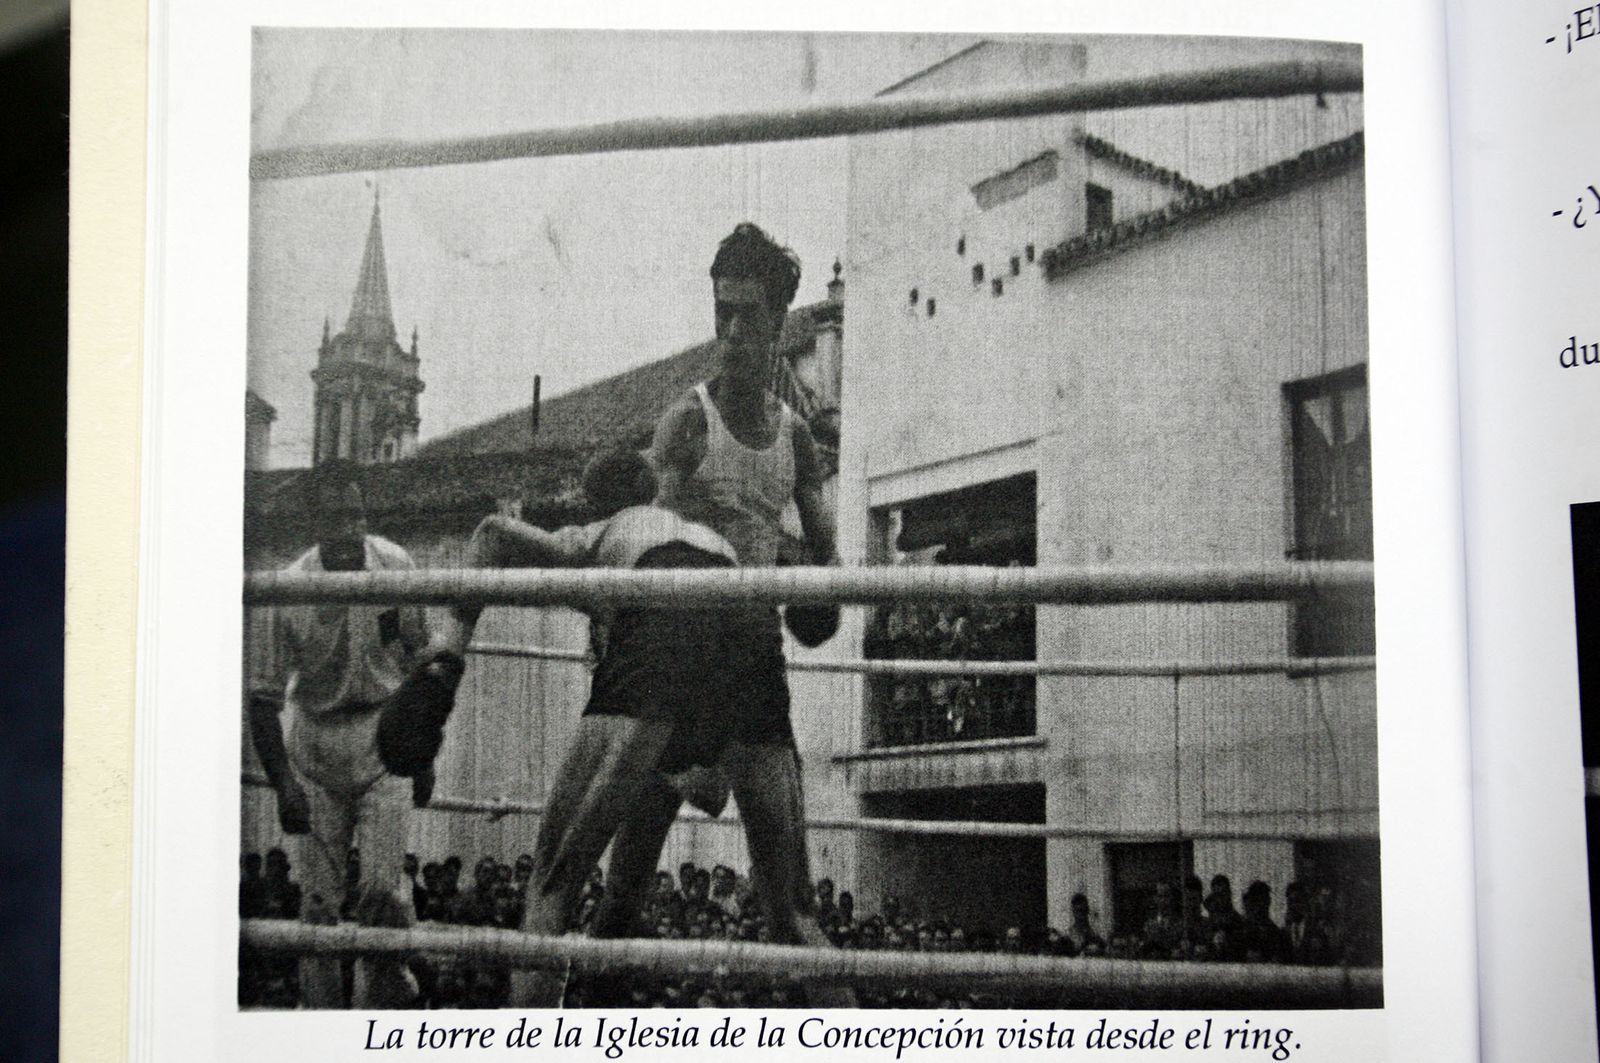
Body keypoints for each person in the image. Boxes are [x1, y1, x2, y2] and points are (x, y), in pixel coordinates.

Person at [591, 224, 849, 1005]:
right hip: (671, 676)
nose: (731, 332)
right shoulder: (686, 421)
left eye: (748, 314)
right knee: (621, 901)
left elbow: (826, 576)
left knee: (794, 911)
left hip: (752, 675)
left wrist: (804, 587)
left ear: (779, 320)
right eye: (721, 311)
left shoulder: (797, 438)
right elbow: (645, 552)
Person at [397, 445, 745, 1005]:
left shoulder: (604, 534)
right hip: (729, 649)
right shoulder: (707, 536)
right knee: (623, 898)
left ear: (595, 503)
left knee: (552, 884)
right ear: (651, 491)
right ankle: (686, 767)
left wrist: (451, 645)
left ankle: (446, 660)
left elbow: (492, 533)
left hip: (649, 661)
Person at [247, 463, 428, 1008]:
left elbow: (421, 663)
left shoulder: (395, 565)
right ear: (314, 522)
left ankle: (380, 1017)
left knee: (380, 892)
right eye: (336, 517)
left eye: (357, 514)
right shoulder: (289, 587)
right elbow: (262, 700)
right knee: (319, 908)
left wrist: (424, 753)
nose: (350, 530)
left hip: (386, 737)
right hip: (318, 746)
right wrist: (284, 785)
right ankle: (321, 1024)